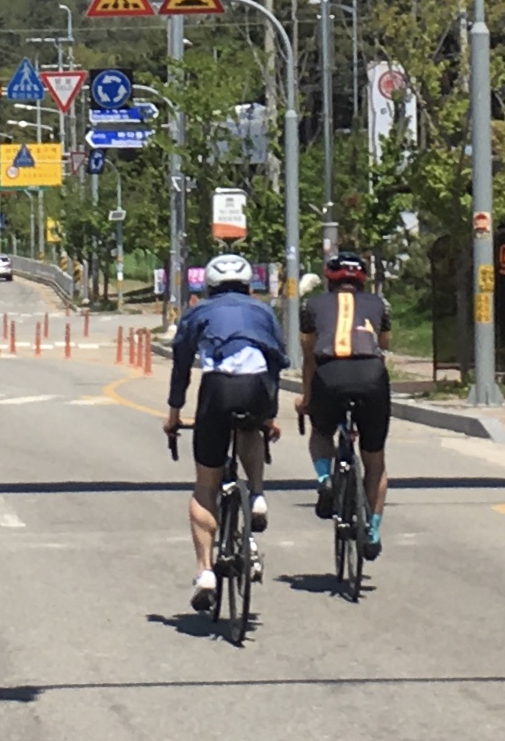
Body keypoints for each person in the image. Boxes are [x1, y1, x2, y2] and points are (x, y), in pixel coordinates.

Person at [165, 250, 287, 616]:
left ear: (209, 286)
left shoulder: (198, 312)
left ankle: (205, 572)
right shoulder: (263, 311)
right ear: (249, 285)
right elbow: (277, 361)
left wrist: (174, 415)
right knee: (251, 430)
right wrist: (269, 415)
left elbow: (181, 367)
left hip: (217, 388)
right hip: (257, 387)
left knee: (206, 485)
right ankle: (258, 495)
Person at [298, 252, 394, 561]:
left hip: (330, 373)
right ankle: (373, 530)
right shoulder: (380, 304)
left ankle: (325, 480)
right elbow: (384, 344)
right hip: (371, 376)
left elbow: (309, 356)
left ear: (329, 280)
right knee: (375, 459)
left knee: (321, 432)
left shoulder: (311, 305)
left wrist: (307, 399)